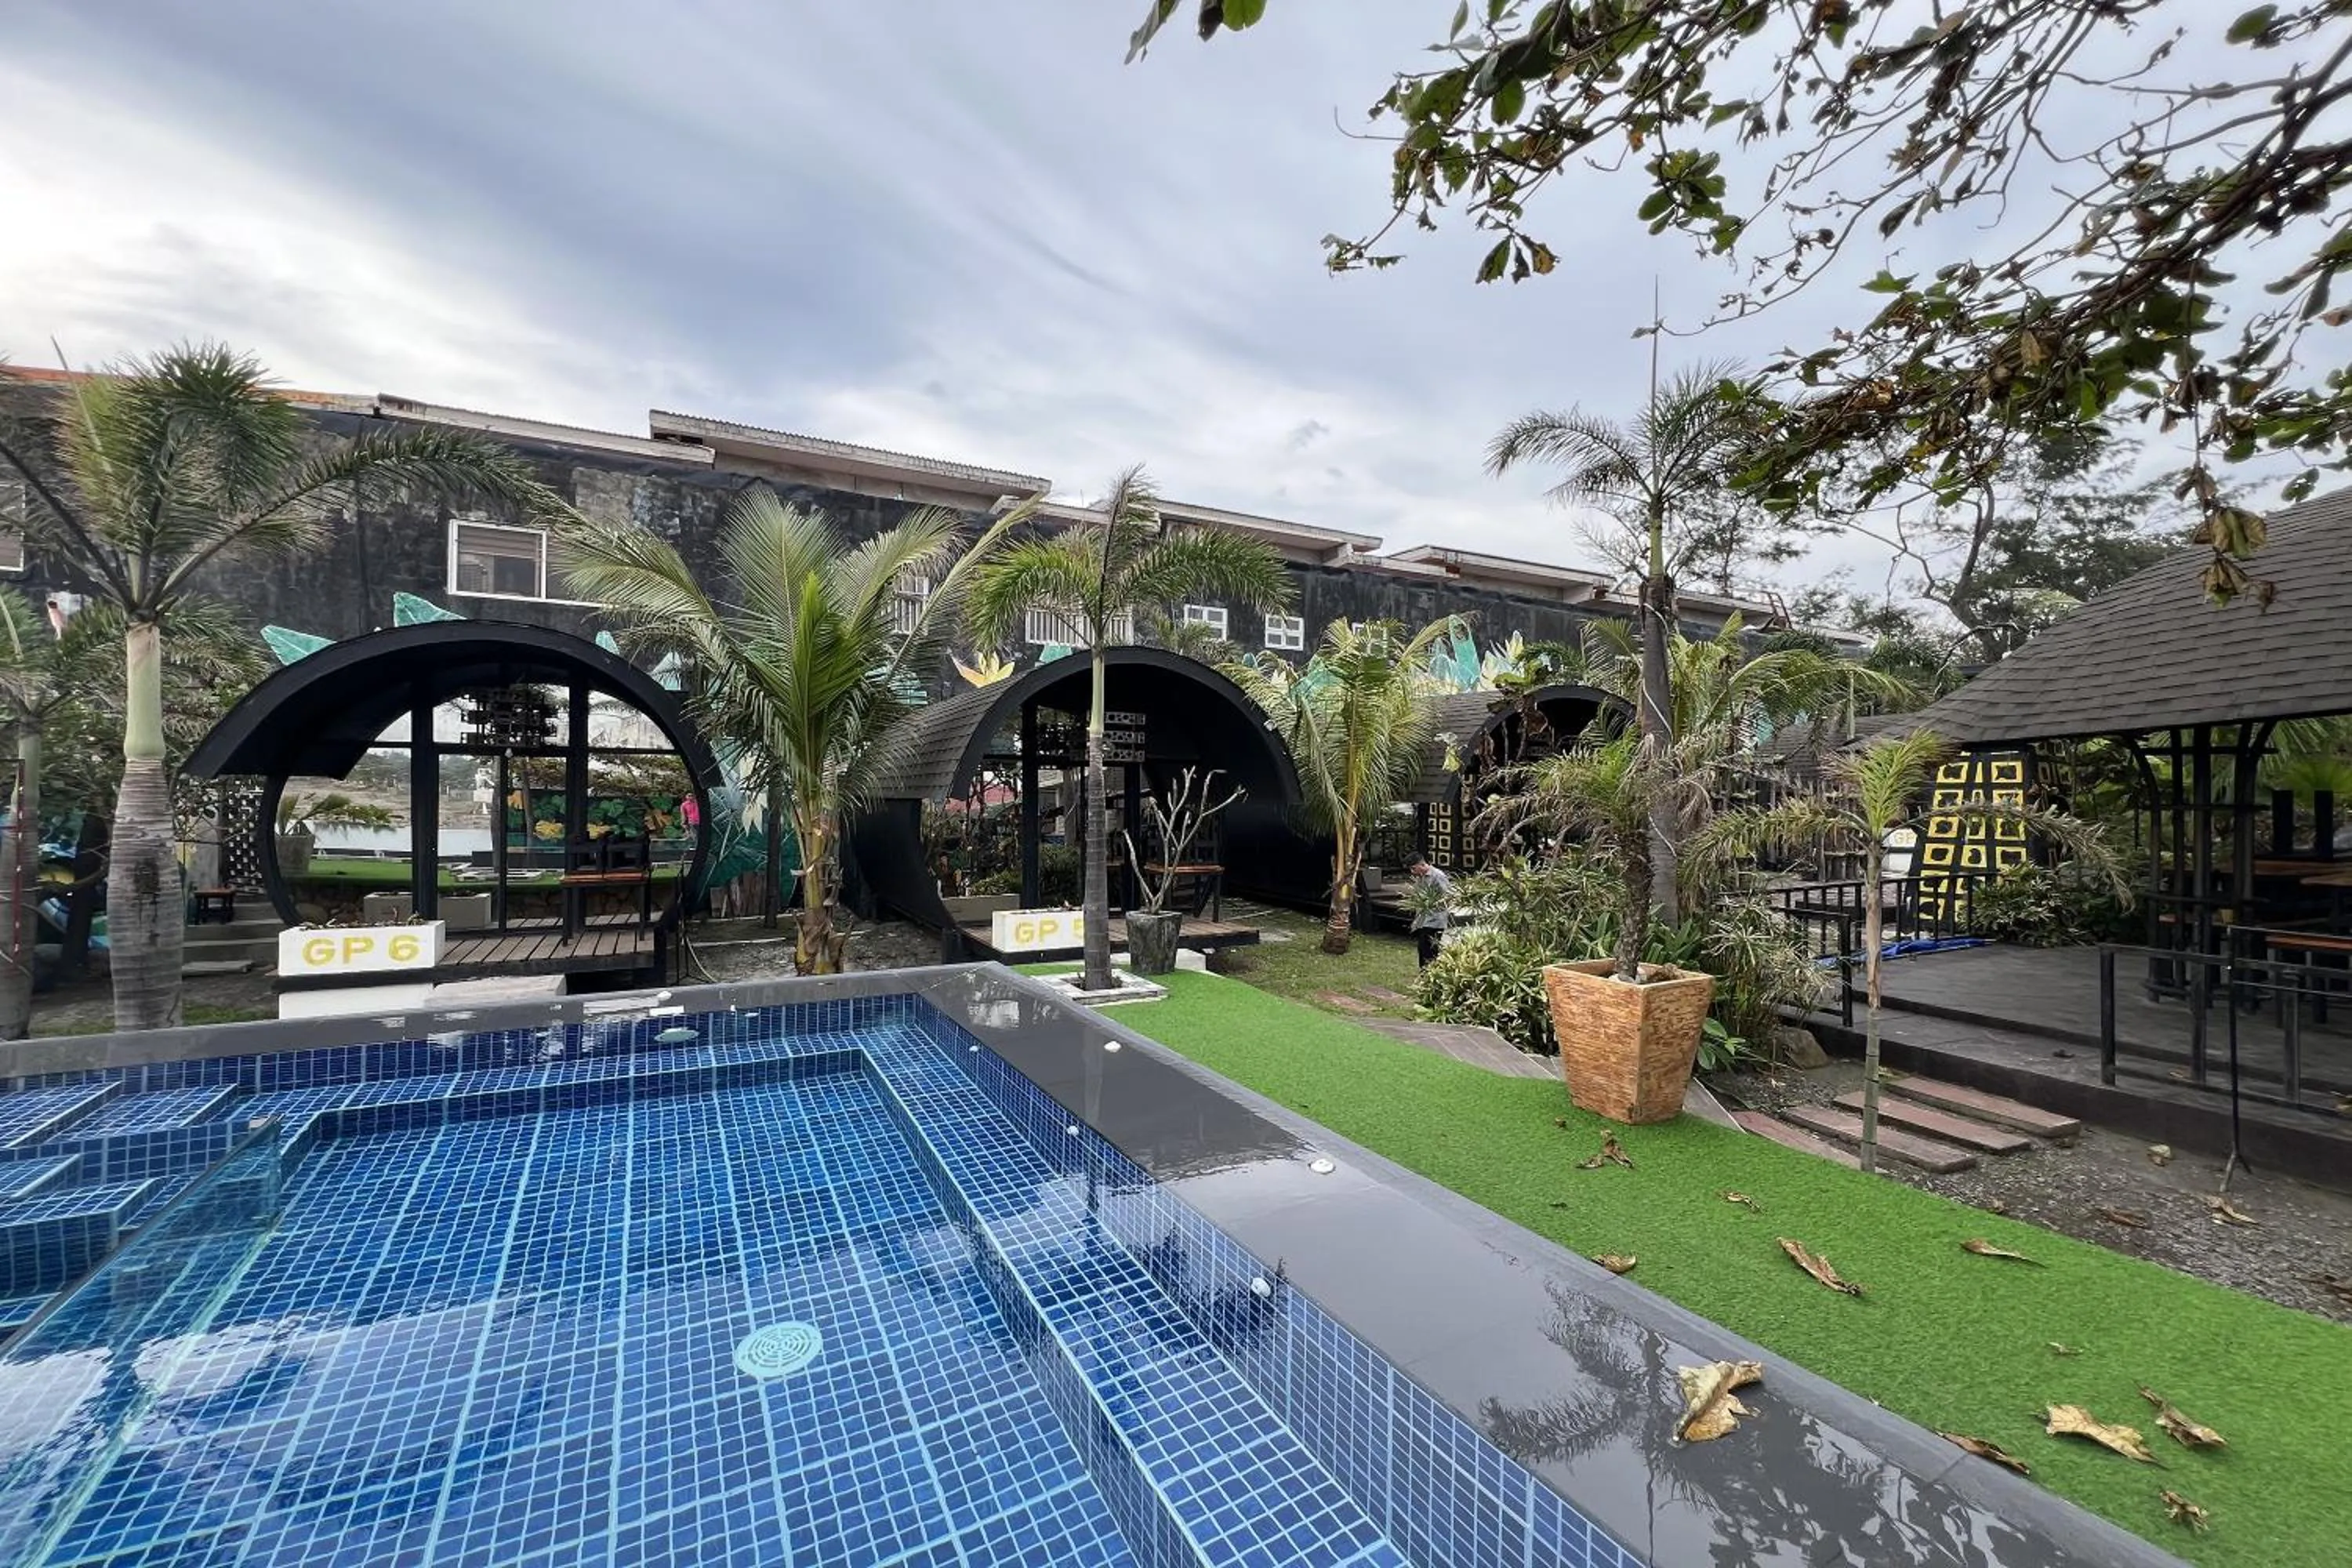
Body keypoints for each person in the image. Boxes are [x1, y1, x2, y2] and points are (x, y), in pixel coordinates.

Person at [1406, 858, 1453, 967]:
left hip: (1436, 919)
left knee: (1429, 949)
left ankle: (1431, 974)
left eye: (1414, 868)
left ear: (1422, 865)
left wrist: (1432, 903)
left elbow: (1448, 896)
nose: (1412, 872)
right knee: (1422, 949)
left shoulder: (1438, 876)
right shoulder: (1420, 877)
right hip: (1423, 918)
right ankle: (1424, 974)